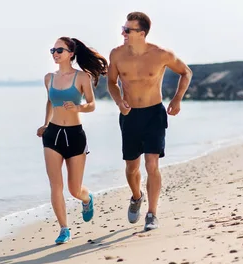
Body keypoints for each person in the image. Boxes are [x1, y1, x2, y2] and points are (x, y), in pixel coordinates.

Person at [107, 12, 192, 231]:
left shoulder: (161, 54)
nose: (123, 33)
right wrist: (118, 101)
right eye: (123, 29)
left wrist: (177, 99)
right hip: (129, 115)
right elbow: (111, 83)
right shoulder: (116, 55)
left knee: (152, 163)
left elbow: (186, 72)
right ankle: (136, 196)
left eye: (128, 30)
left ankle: (152, 213)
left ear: (141, 33)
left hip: (154, 113)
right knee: (131, 167)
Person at [37, 37, 108, 244]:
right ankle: (64, 229)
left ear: (71, 53)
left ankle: (87, 199)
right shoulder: (48, 78)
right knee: (55, 185)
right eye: (53, 50)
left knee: (74, 189)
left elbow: (92, 104)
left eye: (59, 50)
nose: (55, 53)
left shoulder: (82, 77)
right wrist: (45, 124)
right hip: (53, 135)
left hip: (75, 135)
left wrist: (78, 108)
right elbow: (49, 102)